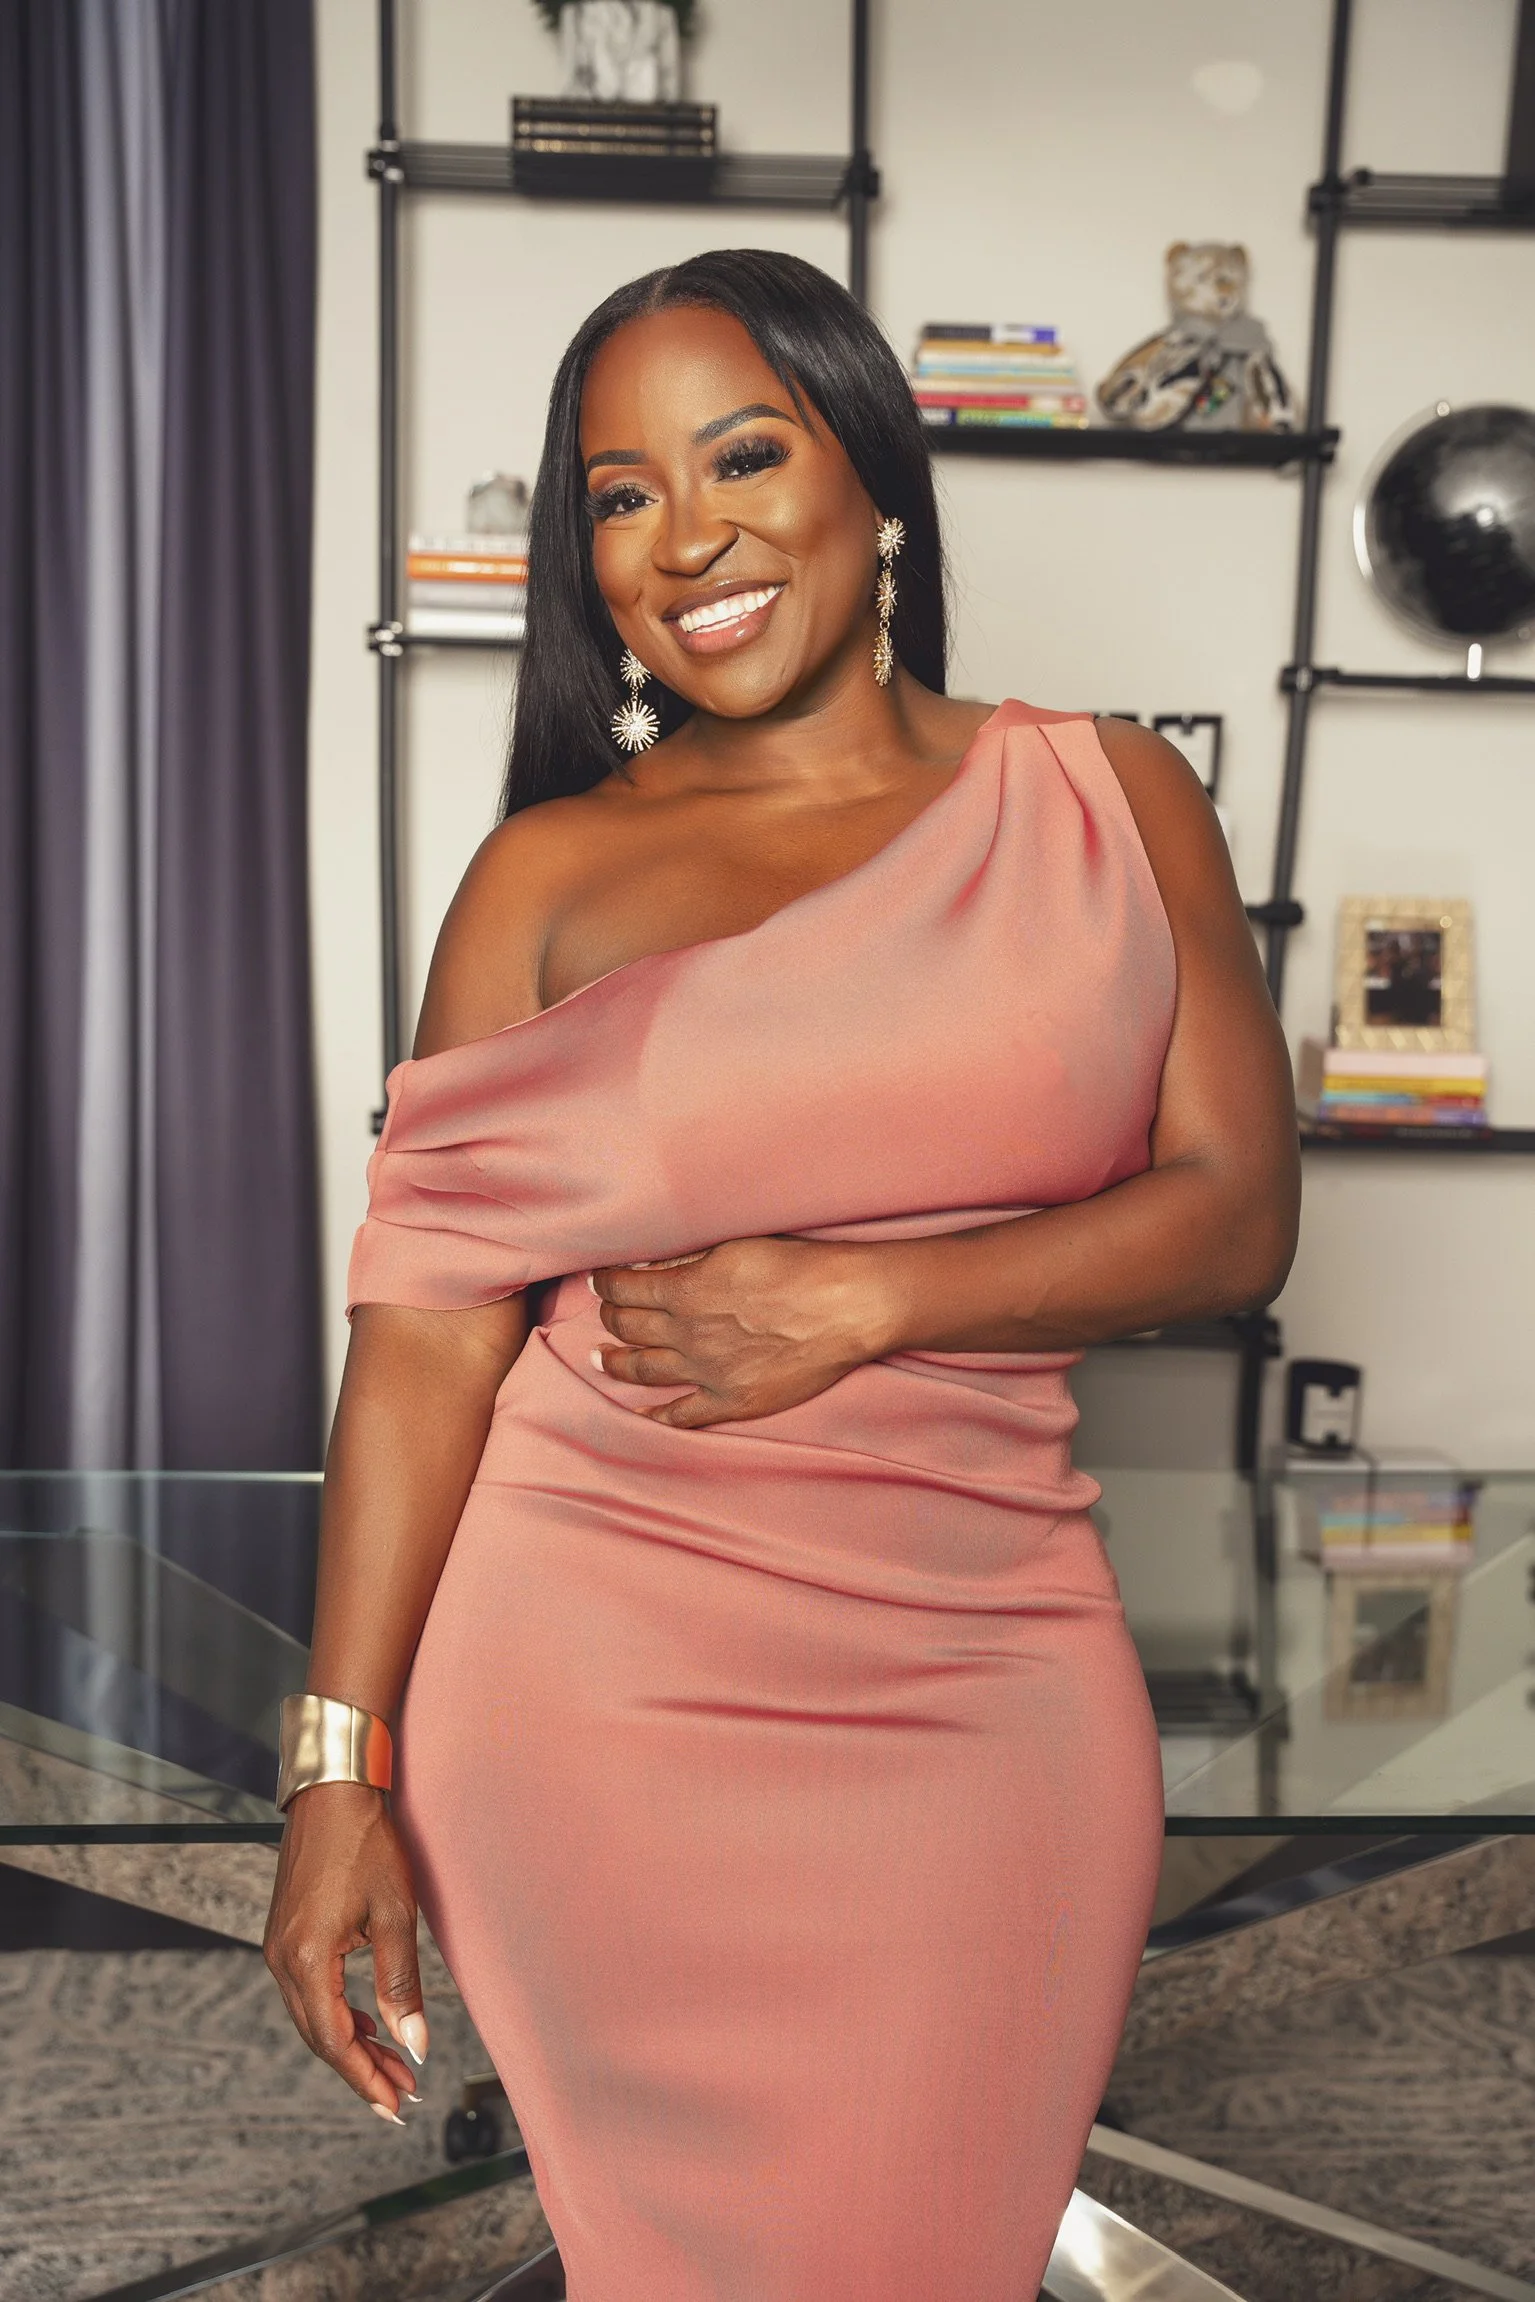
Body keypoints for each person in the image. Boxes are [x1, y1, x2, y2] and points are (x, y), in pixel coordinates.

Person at [264, 248, 1299, 2301]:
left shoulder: (1107, 798)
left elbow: (1233, 1209)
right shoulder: (552, 870)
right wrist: (333, 1768)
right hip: (593, 1687)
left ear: (876, 479)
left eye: (742, 454)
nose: (686, 535)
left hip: (991, 1670)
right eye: (620, 496)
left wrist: (875, 1299)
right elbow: (423, 1344)